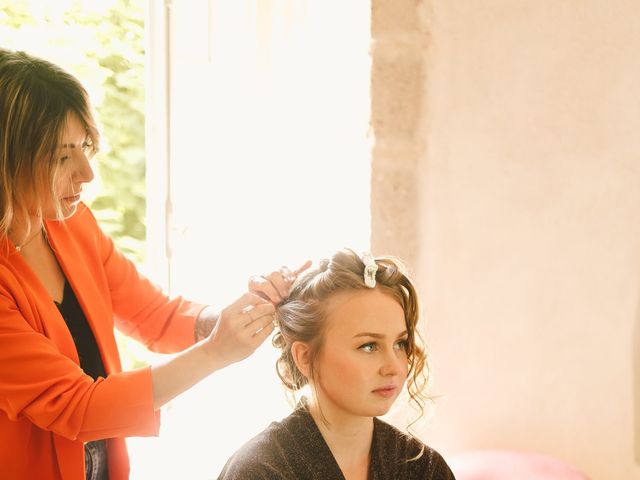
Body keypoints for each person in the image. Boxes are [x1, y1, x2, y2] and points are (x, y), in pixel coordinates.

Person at [0, 48, 307, 480]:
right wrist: (216, 351)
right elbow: (76, 406)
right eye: (61, 156)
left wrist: (232, 316)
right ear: (7, 160)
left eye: (84, 147)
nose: (87, 173)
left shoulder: (72, 225)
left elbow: (154, 315)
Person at [218, 249, 456, 480]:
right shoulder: (259, 471)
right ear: (305, 356)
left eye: (400, 343)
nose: (394, 367)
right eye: (369, 346)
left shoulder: (425, 469)